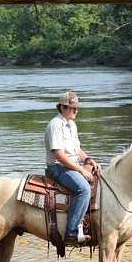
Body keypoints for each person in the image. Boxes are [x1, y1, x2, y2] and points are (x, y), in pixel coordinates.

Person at [45, 91, 101, 245]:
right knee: (83, 189)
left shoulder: (72, 125)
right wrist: (81, 170)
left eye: (77, 107)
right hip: (57, 167)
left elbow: (77, 150)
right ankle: (71, 232)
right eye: (73, 107)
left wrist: (89, 160)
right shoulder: (55, 125)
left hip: (71, 165)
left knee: (98, 176)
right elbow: (58, 155)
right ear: (62, 107)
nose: (76, 110)